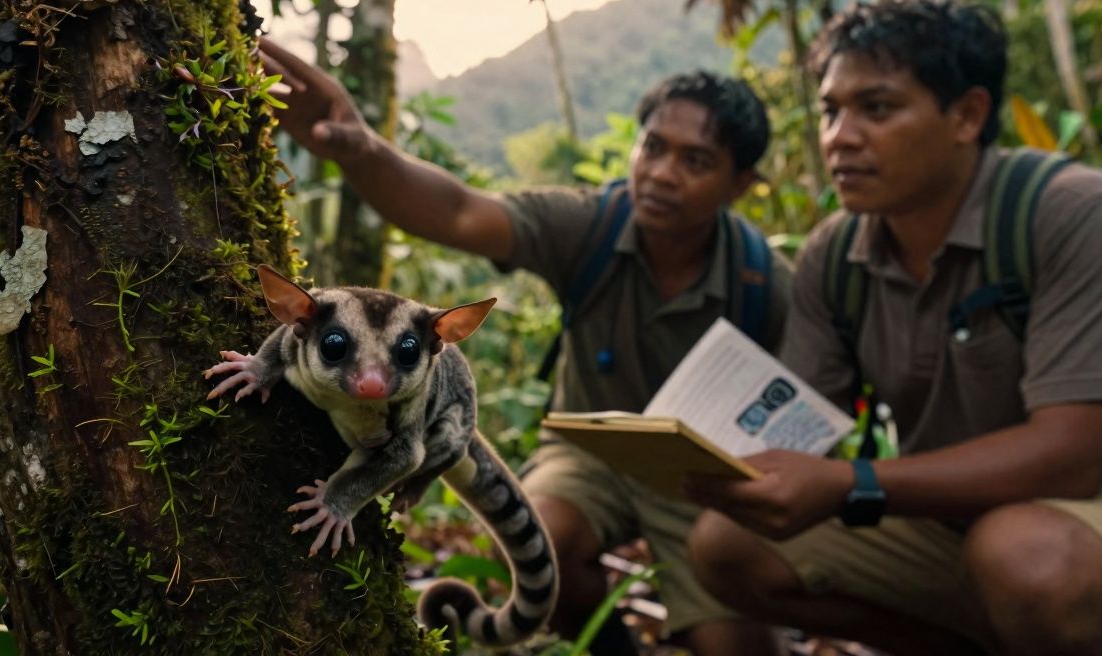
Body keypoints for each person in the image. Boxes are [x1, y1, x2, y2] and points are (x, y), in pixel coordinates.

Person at [684, 0, 1102, 656]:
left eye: (878, 108)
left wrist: (854, 483)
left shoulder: (1075, 213)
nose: (840, 137)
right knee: (728, 546)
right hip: (949, 523)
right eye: (832, 110)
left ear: (967, 115)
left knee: (1028, 560)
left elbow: (1074, 456)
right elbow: (800, 427)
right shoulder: (835, 255)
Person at [258, 38, 792, 655]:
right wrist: (361, 149)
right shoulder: (591, 227)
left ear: (742, 183)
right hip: (592, 454)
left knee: (739, 643)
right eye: (653, 147)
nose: (663, 173)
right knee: (551, 545)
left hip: (701, 476)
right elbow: (460, 212)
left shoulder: (765, 282)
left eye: (696, 160)